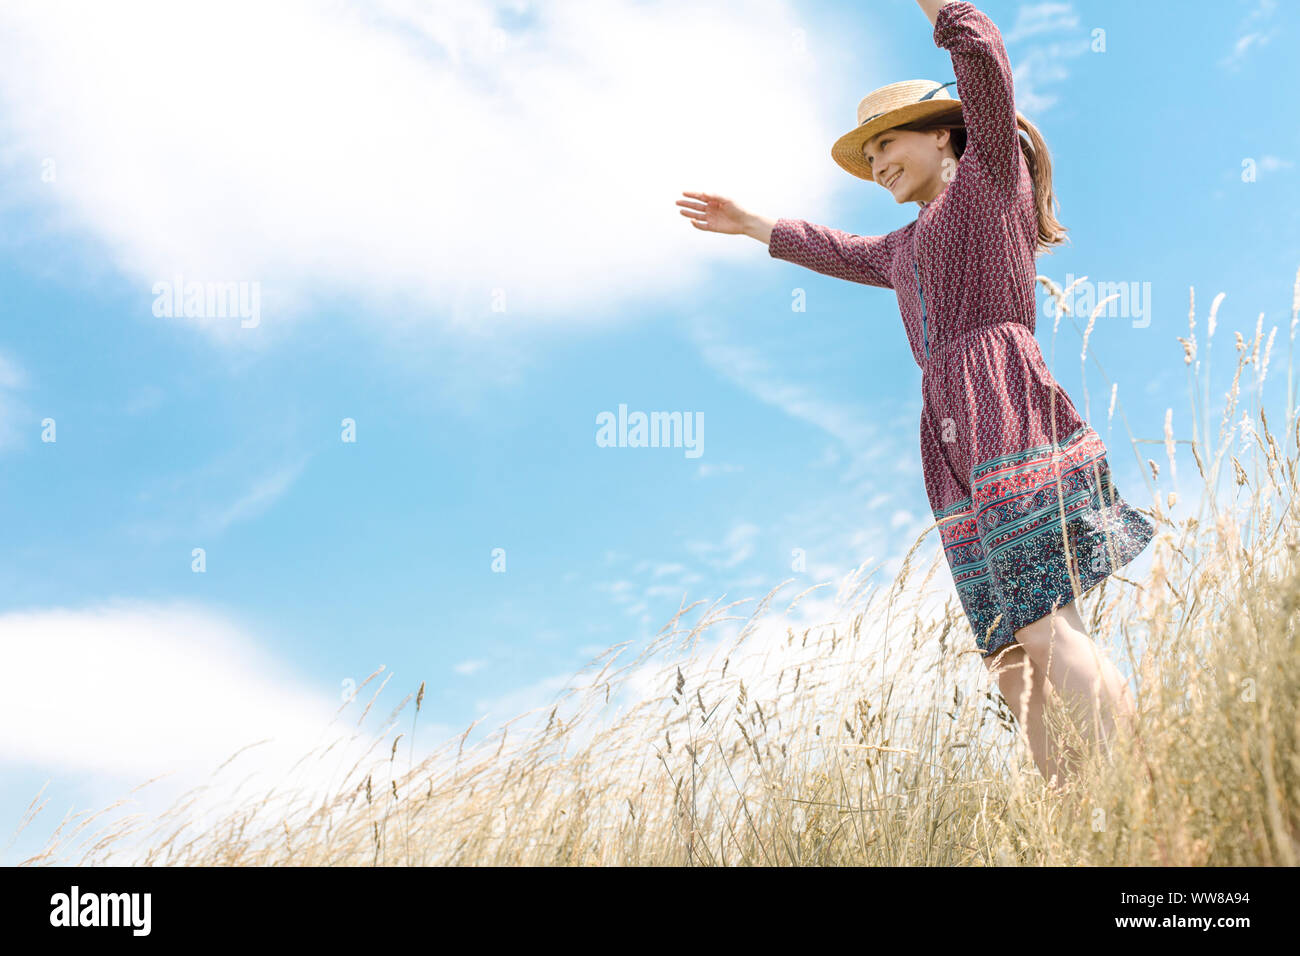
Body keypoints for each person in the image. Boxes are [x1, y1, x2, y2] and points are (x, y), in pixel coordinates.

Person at [676, 0, 1155, 791]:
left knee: (1044, 620)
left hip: (1002, 403)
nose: (876, 165)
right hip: (947, 436)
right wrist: (751, 224)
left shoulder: (990, 178)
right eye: (866, 159)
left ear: (942, 135)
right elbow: (836, 248)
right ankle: (1076, 816)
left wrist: (943, 7)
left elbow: (986, 62)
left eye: (885, 144)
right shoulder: (903, 246)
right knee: (1007, 651)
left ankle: (1147, 790)